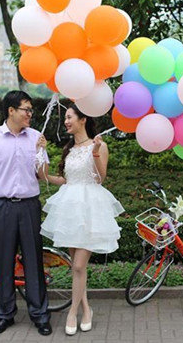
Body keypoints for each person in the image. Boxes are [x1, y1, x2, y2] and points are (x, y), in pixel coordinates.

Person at [37, 103, 124, 335]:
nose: (66, 121)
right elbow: (50, 177)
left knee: (78, 265)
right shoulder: (69, 149)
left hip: (90, 209)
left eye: (69, 117)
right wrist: (41, 153)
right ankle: (87, 309)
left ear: (83, 119)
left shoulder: (99, 145)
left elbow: (100, 178)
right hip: (69, 209)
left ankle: (72, 312)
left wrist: (95, 152)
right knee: (78, 269)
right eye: (65, 118)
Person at [0, 90, 52, 336]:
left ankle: (40, 315)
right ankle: (5, 315)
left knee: (33, 262)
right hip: (1, 206)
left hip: (29, 206)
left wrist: (42, 151)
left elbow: (43, 175)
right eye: (26, 109)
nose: (30, 114)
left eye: (30, 110)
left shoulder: (36, 137)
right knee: (5, 262)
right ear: (11, 111)